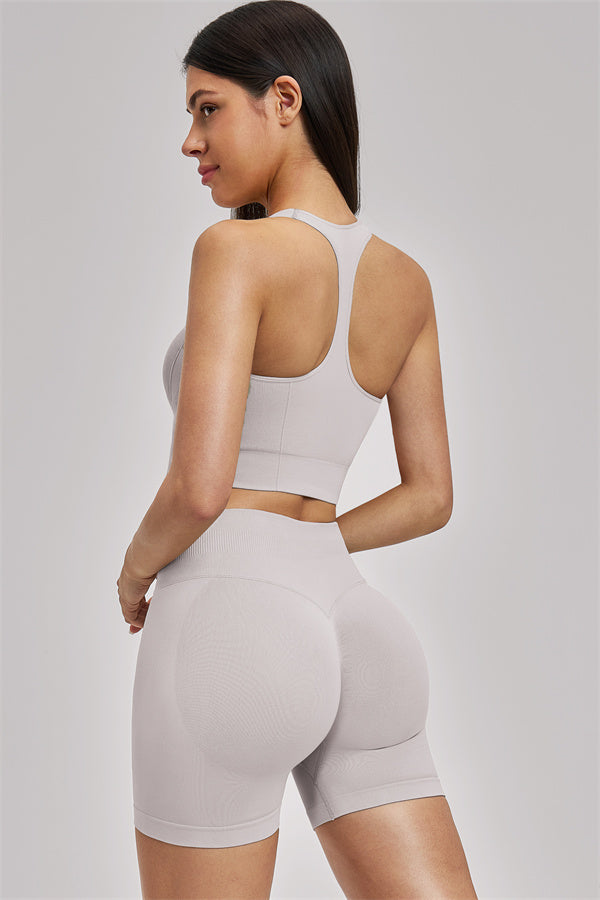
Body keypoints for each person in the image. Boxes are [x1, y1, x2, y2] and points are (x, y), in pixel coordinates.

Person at [116, 1, 479, 897]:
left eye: (207, 108)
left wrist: (133, 571)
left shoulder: (236, 253)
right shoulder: (407, 279)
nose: (191, 142)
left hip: (229, 626)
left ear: (285, 99)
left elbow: (199, 488)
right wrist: (309, 547)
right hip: (357, 625)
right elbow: (431, 496)